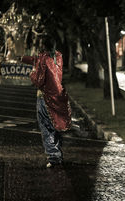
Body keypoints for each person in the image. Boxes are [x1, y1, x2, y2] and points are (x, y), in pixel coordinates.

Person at [21, 35, 71, 168]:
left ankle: (54, 156)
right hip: (59, 96)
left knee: (46, 127)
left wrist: (32, 73)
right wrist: (22, 59)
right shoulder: (58, 57)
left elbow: (38, 80)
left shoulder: (43, 58)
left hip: (45, 98)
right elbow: (36, 60)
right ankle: (58, 153)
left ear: (43, 46)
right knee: (56, 126)